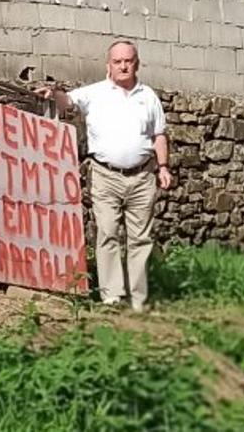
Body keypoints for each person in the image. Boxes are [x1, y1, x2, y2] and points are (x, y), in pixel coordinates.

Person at [36, 39, 171, 311]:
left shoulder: (148, 96)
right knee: (107, 233)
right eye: (117, 61)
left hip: (143, 175)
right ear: (108, 65)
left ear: (137, 63)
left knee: (140, 238)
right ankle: (111, 296)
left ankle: (139, 298)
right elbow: (68, 102)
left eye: (128, 61)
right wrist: (55, 94)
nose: (123, 66)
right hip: (105, 174)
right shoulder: (95, 93)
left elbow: (159, 135)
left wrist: (164, 166)